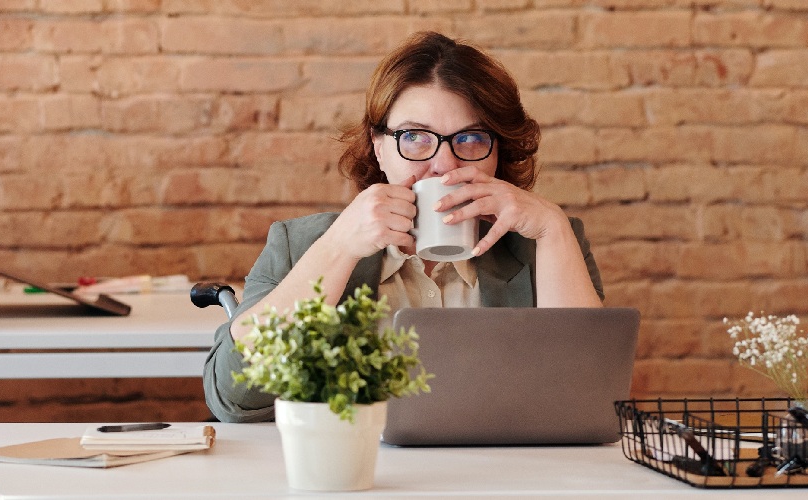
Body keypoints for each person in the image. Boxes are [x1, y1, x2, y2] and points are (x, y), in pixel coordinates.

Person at [203, 31, 604, 423]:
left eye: (470, 138)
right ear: (379, 147)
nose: (445, 164)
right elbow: (235, 400)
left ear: (499, 151)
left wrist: (552, 227)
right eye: (415, 137)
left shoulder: (544, 243)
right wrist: (340, 247)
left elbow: (590, 395)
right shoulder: (302, 244)